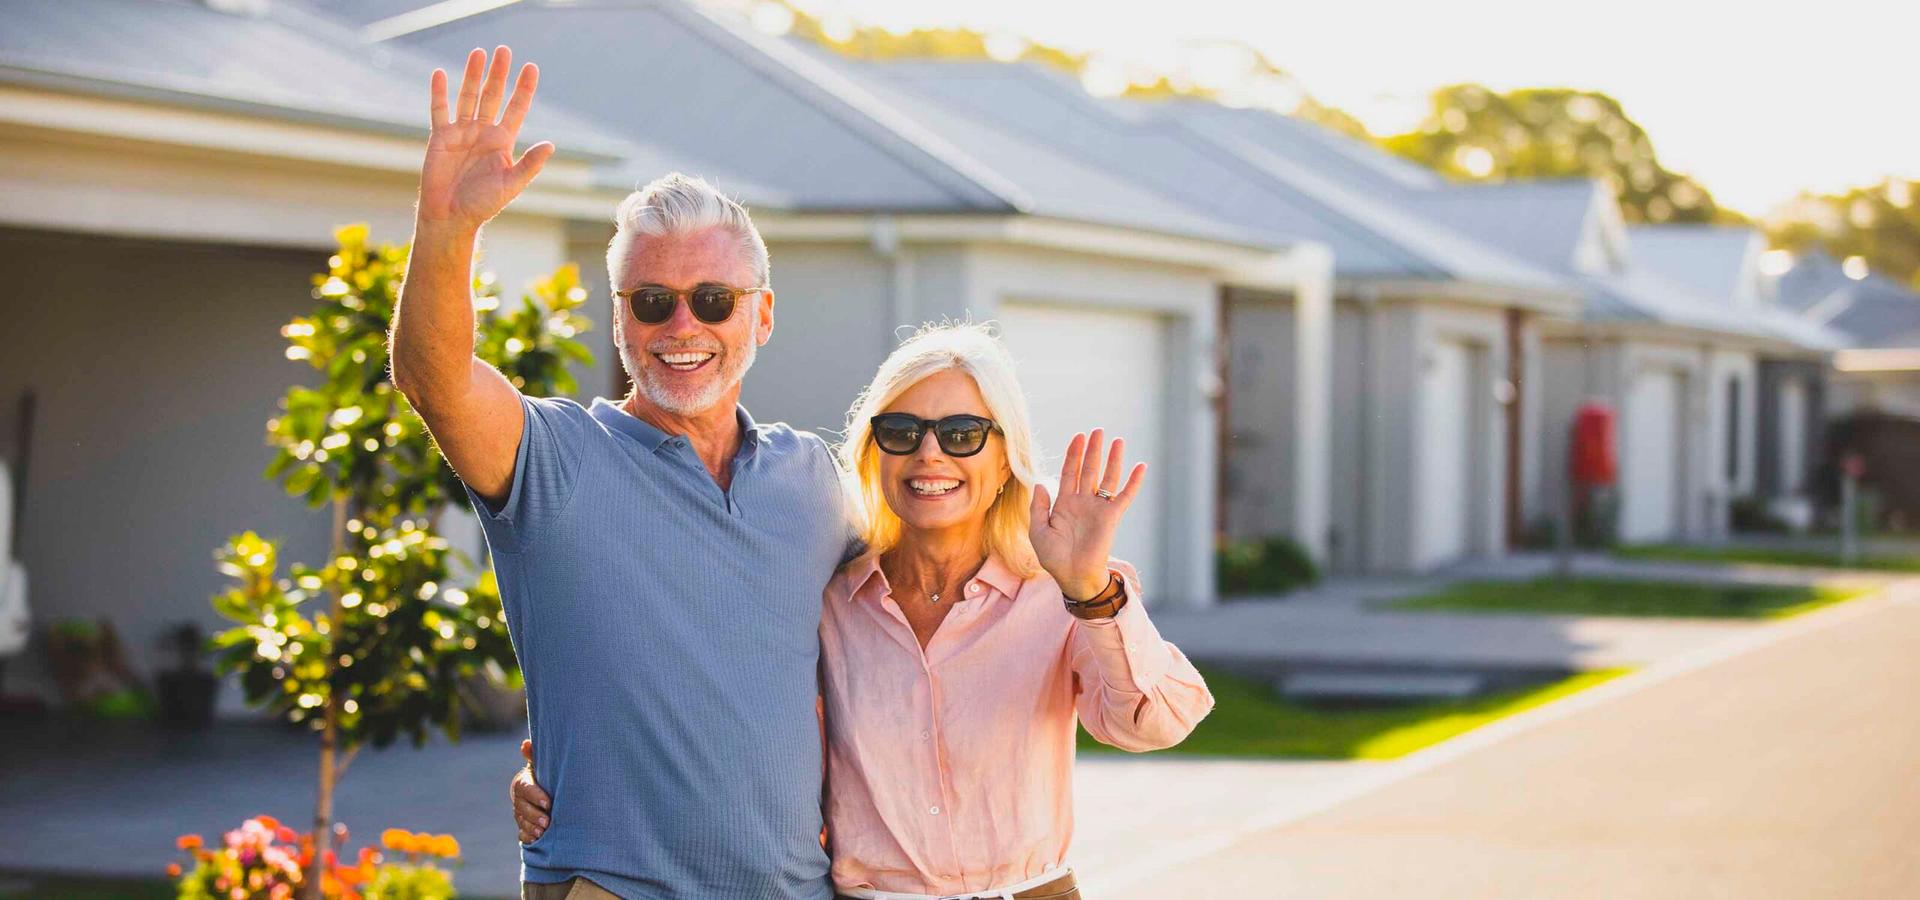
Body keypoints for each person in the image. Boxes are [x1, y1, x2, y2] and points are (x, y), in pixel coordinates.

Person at [514, 324, 1216, 899]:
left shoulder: (1064, 594)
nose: (930, 453)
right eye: (903, 430)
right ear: (875, 452)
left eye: (963, 433)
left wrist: (1092, 591)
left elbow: (1153, 724)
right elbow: (712, 697)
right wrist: (569, 778)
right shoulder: (827, 594)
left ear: (1004, 459)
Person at [390, 47, 849, 899]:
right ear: (619, 317)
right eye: (651, 300)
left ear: (763, 315)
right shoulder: (552, 462)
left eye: (713, 299)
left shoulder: (816, 479)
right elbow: (434, 379)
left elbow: (897, 641)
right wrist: (448, 231)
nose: (683, 325)